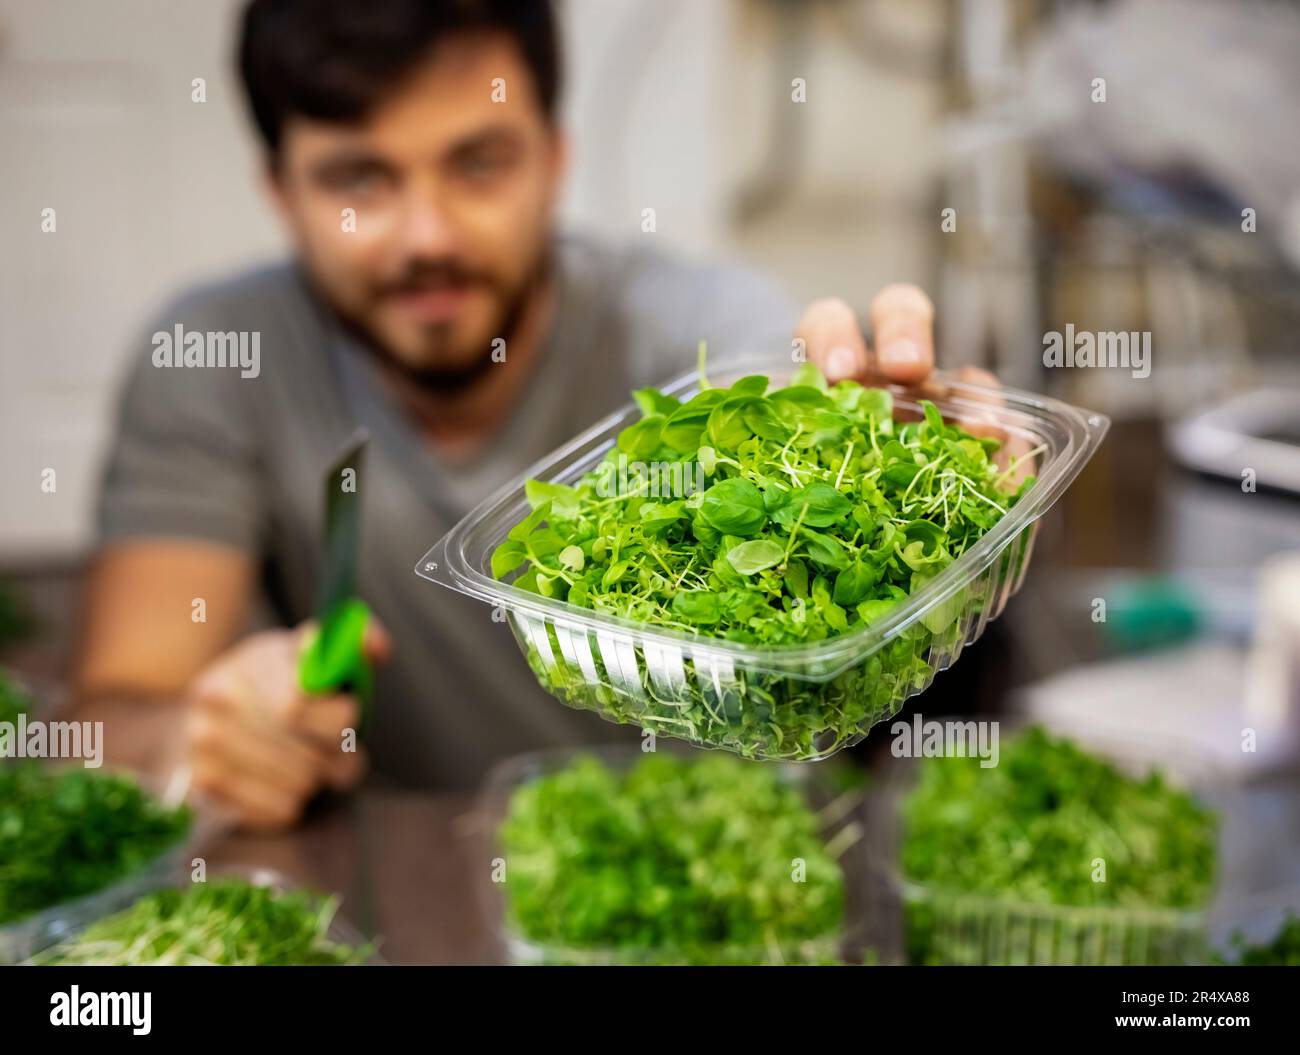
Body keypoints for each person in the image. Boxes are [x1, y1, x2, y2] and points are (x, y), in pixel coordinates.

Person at [71, 0, 981, 829]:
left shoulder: (692, 328)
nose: (427, 235)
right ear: (280, 191)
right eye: (358, 179)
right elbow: (115, 713)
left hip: (727, 867)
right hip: (409, 880)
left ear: (554, 158)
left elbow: (792, 406)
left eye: (478, 163)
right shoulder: (214, 355)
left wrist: (919, 487)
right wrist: (195, 742)